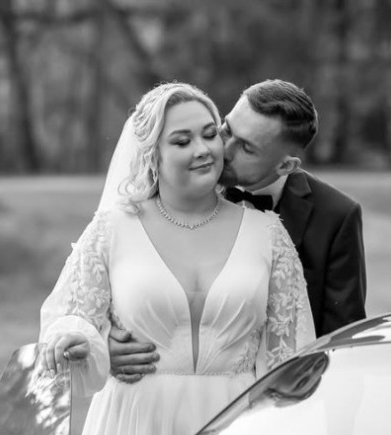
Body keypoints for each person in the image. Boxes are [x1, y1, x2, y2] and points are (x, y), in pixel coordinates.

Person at [38, 82, 315, 435]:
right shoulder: (112, 229)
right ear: (153, 154)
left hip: (234, 434)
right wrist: (86, 341)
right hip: (132, 433)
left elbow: (291, 353)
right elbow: (69, 316)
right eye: (182, 141)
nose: (203, 149)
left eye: (209, 134)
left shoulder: (268, 233)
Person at [111, 79, 367, 383]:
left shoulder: (335, 216)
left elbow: (341, 342)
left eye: (246, 147)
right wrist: (106, 343)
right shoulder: (176, 185)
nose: (223, 150)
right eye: (227, 130)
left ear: (286, 166)